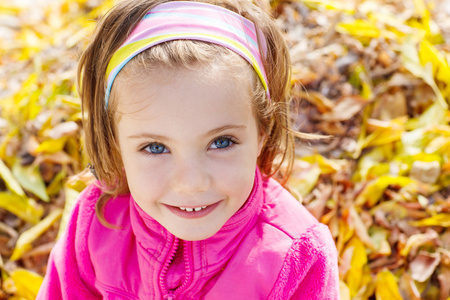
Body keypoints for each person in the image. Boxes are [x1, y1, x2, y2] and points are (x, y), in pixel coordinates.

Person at [37, 0, 339, 299]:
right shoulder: (95, 225)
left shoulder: (297, 257)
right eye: (155, 147)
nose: (191, 182)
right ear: (115, 143)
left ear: (263, 131)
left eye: (221, 142)